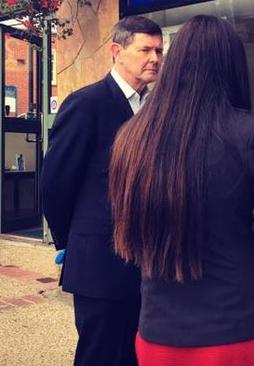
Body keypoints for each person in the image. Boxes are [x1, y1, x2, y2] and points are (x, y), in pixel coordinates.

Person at [109, 15, 254, 366]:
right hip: (235, 325)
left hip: (157, 330)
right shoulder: (249, 133)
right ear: (233, 66)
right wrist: (239, 240)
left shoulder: (132, 136)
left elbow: (129, 229)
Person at [40, 16, 162, 366]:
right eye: (145, 49)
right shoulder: (86, 103)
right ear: (116, 51)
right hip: (100, 264)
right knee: (101, 354)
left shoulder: (155, 108)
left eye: (158, 50)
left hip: (146, 264)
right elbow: (56, 185)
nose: (154, 58)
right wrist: (72, 242)